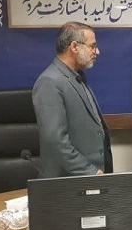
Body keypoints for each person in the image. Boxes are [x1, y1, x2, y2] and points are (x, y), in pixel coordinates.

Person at [32, 21, 112, 178]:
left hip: (90, 178)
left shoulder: (77, 76)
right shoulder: (50, 81)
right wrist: (89, 171)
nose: (97, 51)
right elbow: (55, 141)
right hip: (70, 181)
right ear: (74, 47)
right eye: (92, 46)